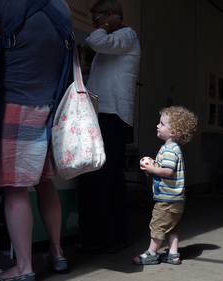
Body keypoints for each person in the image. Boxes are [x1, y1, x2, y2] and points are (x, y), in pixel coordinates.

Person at [0, 0, 73, 279]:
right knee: (44, 182)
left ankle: (23, 267)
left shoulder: (1, 4)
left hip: (13, 106)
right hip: (50, 109)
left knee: (14, 189)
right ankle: (58, 252)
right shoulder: (61, 7)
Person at [77, 0, 141, 253]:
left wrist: (102, 26)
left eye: (99, 18)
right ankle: (112, 236)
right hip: (104, 115)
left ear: (113, 15)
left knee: (101, 177)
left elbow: (97, 40)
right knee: (109, 177)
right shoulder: (117, 40)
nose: (95, 23)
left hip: (112, 116)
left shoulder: (127, 34)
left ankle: (101, 238)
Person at [132, 106, 197, 265]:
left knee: (158, 226)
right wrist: (155, 165)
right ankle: (173, 254)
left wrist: (151, 169)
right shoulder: (173, 148)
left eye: (161, 124)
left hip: (166, 200)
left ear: (173, 132)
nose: (157, 125)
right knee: (171, 227)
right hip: (176, 200)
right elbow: (166, 168)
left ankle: (151, 253)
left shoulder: (169, 149)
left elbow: (168, 171)